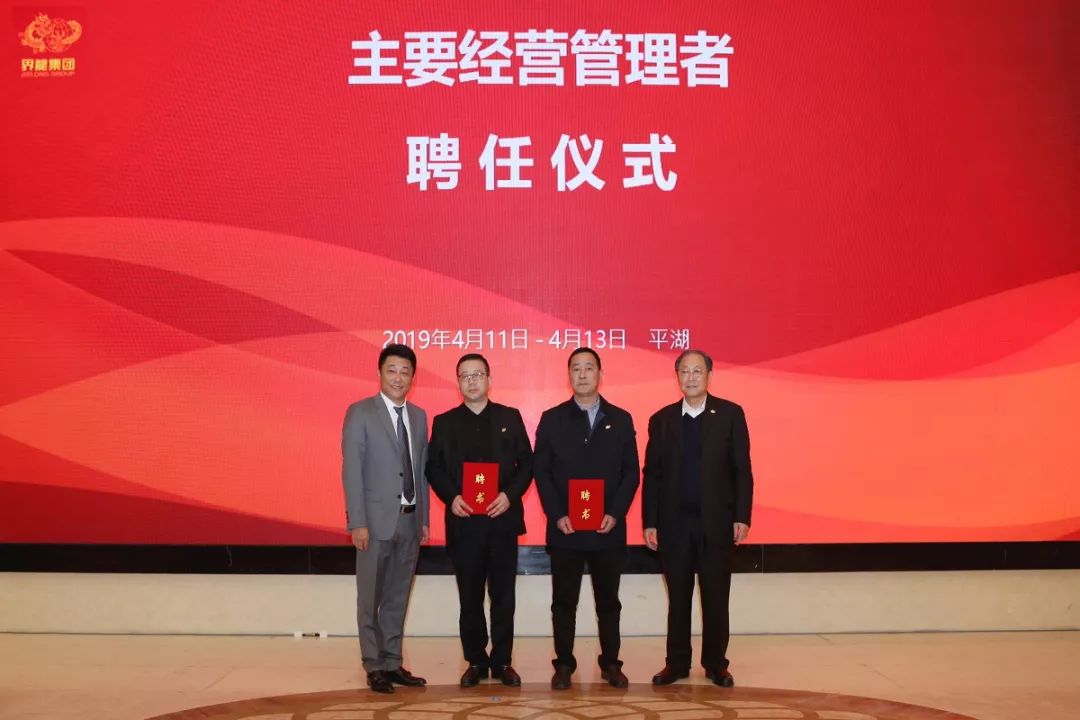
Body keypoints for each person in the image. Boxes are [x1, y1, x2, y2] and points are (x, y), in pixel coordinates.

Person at [642, 349, 754, 688]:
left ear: (709, 376)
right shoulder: (662, 420)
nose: (690, 377)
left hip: (717, 525)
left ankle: (716, 664)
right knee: (678, 599)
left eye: (697, 371)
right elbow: (653, 475)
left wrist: (742, 515)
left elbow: (742, 470)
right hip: (674, 526)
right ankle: (676, 664)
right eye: (684, 371)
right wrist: (650, 521)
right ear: (677, 377)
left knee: (716, 598)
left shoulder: (730, 414)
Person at [534, 347, 639, 690]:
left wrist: (615, 513)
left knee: (609, 602)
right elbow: (541, 471)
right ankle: (564, 663)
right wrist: (557, 514)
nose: (582, 374)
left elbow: (631, 473)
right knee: (564, 602)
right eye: (576, 368)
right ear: (569, 375)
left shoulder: (620, 419)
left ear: (600, 374)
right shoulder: (552, 419)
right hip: (565, 529)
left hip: (607, 529)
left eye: (589, 368)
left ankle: (611, 663)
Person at [426, 353, 534, 688]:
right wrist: (452, 497)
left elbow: (527, 465)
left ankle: (502, 661)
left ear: (489, 379)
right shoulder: (444, 422)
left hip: (501, 522)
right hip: (464, 524)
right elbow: (433, 468)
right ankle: (475, 660)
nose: (472, 381)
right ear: (458, 383)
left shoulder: (509, 417)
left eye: (478, 375)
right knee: (470, 596)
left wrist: (509, 496)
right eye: (465, 376)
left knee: (503, 596)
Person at [341, 344, 429, 694]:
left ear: (413, 377)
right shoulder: (360, 412)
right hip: (374, 523)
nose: (398, 377)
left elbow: (420, 470)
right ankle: (373, 664)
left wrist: (423, 518)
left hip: (410, 520)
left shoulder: (419, 416)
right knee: (370, 598)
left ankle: (392, 662)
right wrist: (357, 521)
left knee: (397, 596)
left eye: (405, 371)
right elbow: (352, 470)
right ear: (379, 373)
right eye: (391, 370)